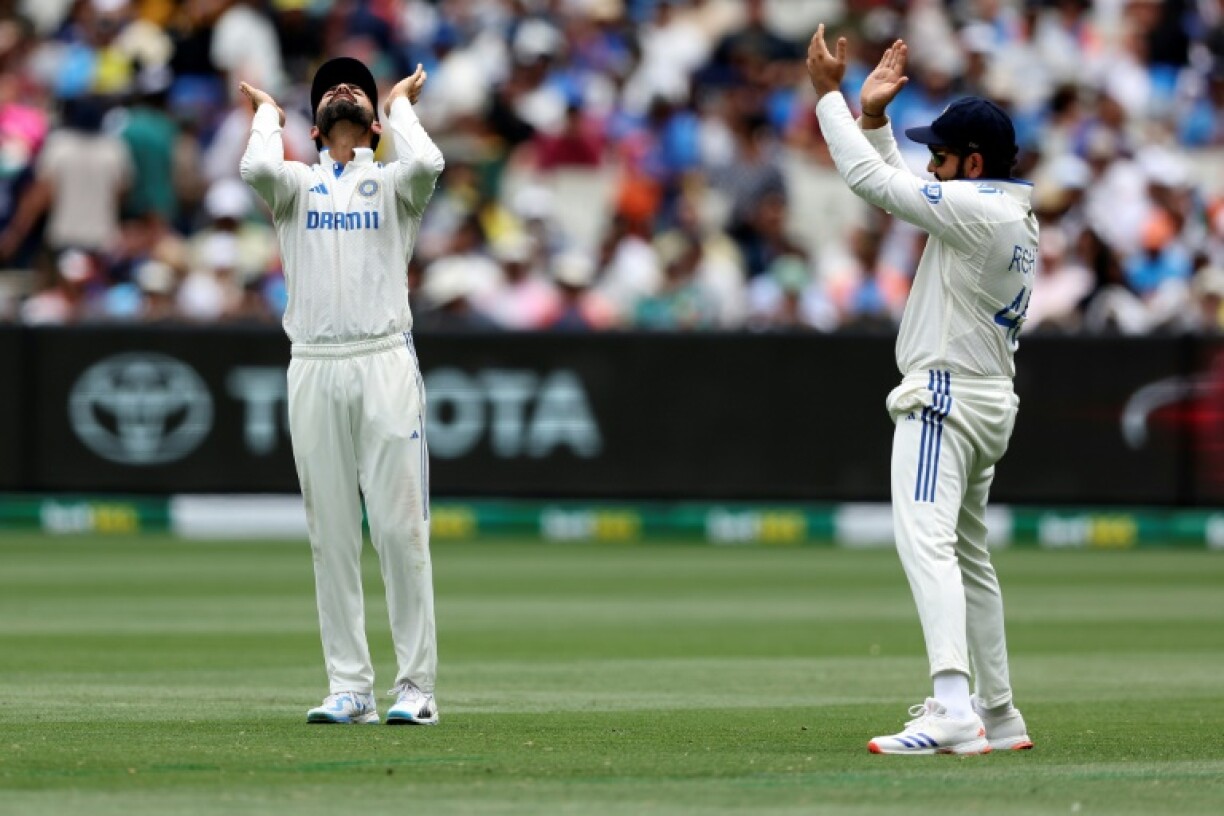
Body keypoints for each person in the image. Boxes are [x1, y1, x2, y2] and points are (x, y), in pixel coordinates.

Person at [806, 26, 1035, 755]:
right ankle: (998, 714)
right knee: (967, 554)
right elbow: (902, 191)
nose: (929, 162)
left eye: (939, 153)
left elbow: (875, 185)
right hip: (988, 396)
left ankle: (951, 708)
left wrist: (829, 98)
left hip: (944, 395)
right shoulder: (1006, 211)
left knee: (926, 542)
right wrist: (873, 121)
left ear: (972, 162)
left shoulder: (978, 212)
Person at [239, 56, 444, 726]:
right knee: (331, 533)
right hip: (314, 363)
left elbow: (430, 166)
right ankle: (350, 687)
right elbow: (256, 170)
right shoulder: (295, 184)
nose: (344, 90)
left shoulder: (392, 187)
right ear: (315, 116)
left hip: (383, 360)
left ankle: (415, 688)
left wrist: (401, 108)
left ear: (375, 118)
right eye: (330, 87)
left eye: (356, 85)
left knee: (398, 530)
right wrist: (268, 114)